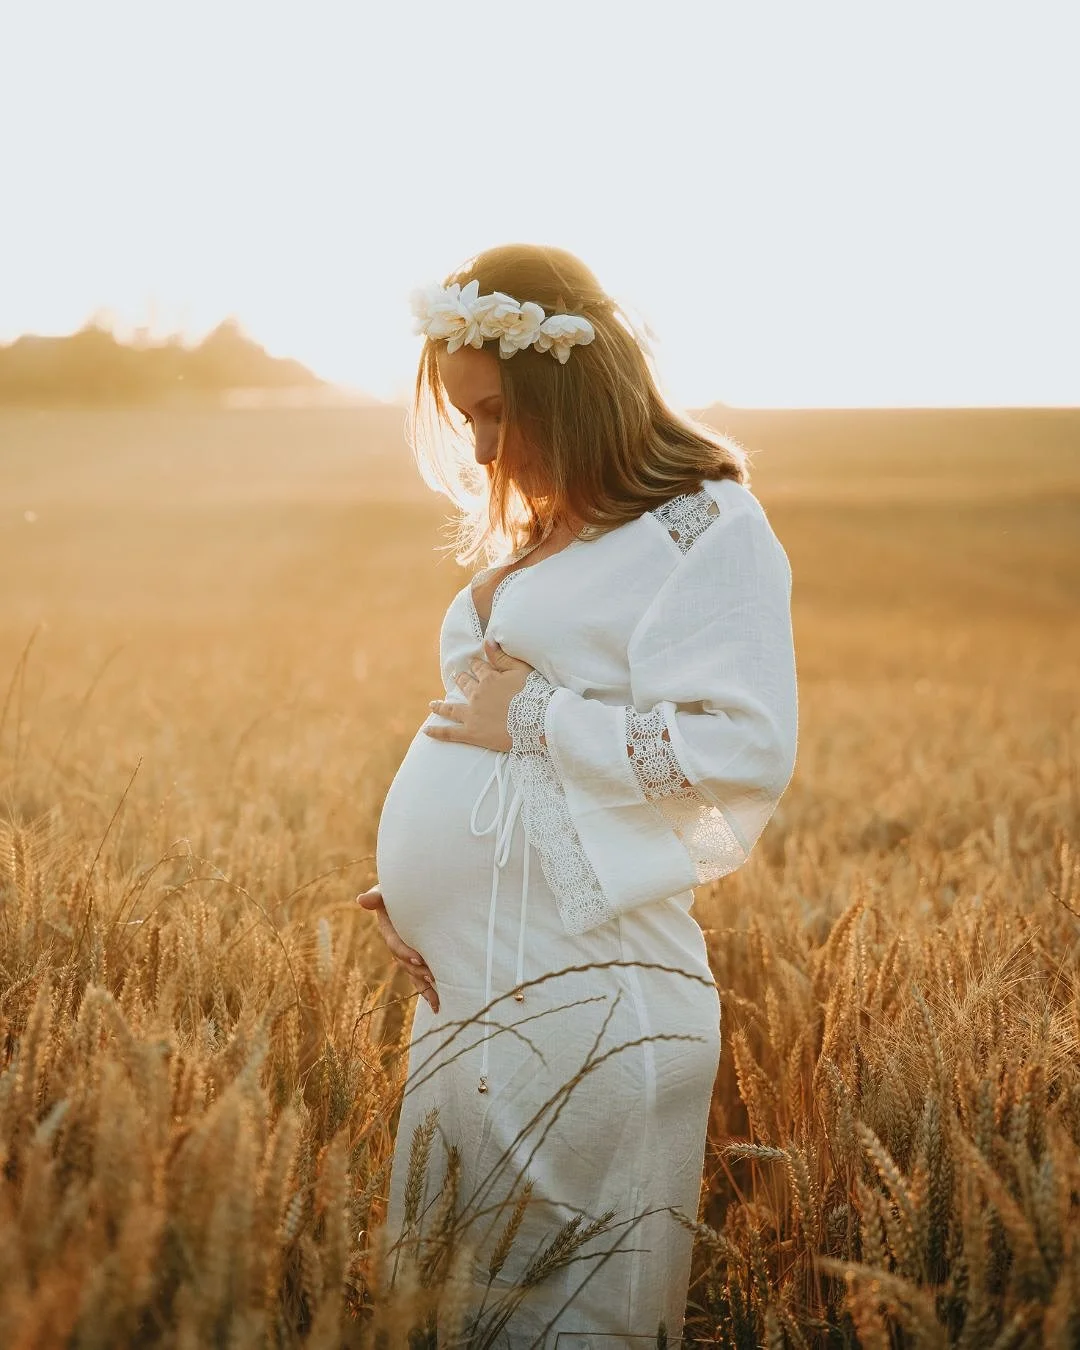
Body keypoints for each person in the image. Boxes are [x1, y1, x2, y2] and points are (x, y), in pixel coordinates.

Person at [356, 243, 798, 1346]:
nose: (486, 446)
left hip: (584, 1001)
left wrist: (536, 719)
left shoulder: (703, 525)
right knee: (458, 1312)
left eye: (499, 411)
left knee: (565, 1323)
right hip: (475, 991)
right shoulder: (546, 535)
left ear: (574, 382)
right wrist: (416, 891)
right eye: (467, 421)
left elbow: (739, 748)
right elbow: (495, 751)